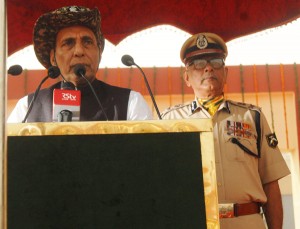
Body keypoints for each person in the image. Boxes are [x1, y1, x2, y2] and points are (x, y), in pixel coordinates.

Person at [161, 32, 290, 229]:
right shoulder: (169, 120)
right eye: (198, 63)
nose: (208, 68)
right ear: (186, 77)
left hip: (247, 222)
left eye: (216, 61)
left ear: (226, 73)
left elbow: (270, 183)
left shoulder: (253, 117)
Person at [7, 6, 152, 123]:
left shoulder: (130, 103)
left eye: (87, 42)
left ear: (99, 53)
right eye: (68, 43)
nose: (79, 51)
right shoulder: (28, 107)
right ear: (53, 59)